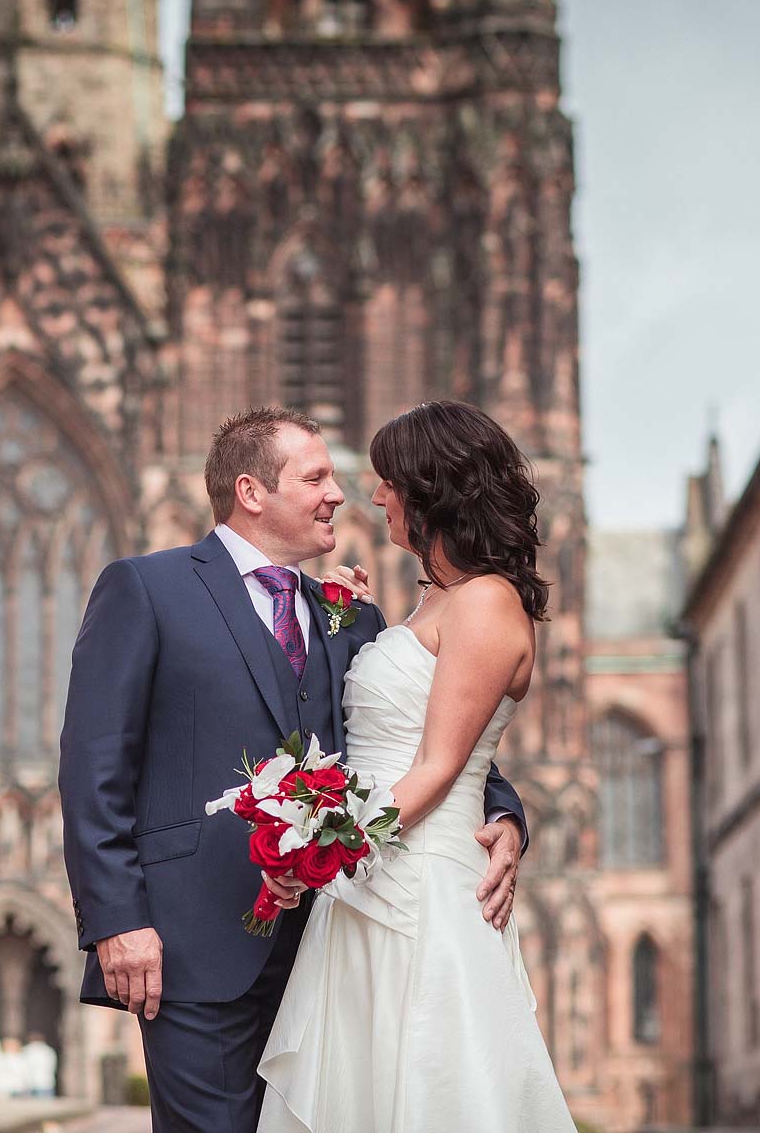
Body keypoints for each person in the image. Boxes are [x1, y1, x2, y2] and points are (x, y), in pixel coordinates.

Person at [59, 407, 529, 1133]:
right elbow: (94, 768)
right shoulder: (146, 589)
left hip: (337, 939)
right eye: (316, 477)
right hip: (191, 941)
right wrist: (117, 921)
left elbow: (425, 736)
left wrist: (501, 812)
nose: (341, 494)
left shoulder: (353, 618)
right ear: (251, 492)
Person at [256, 399, 574, 1132]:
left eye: (388, 480)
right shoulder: (439, 601)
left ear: (433, 489)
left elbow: (437, 767)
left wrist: (320, 850)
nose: (374, 497)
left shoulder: (488, 603)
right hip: (374, 882)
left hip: (420, 887)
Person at [21, 1033, 58, 1098]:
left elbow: (23, 1068)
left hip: (31, 1084)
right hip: (47, 1082)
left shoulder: (27, 1050)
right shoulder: (49, 1050)